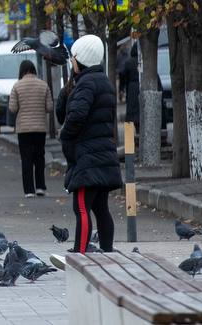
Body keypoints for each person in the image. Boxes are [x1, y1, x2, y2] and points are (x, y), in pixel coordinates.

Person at [56, 34, 122, 254]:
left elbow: (76, 116)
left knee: (82, 206)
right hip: (102, 154)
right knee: (100, 207)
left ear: (80, 58)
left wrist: (64, 133)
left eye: (73, 57)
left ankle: (80, 251)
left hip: (88, 156)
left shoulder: (86, 84)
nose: (71, 61)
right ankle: (107, 249)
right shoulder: (102, 81)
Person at [7, 59, 52, 197]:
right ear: (34, 70)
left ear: (22, 71)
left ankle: (29, 190)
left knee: (26, 158)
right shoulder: (44, 85)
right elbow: (49, 107)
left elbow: (12, 108)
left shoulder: (17, 86)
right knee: (39, 157)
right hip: (40, 128)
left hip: (24, 129)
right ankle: (40, 186)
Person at [116, 35, 140, 130]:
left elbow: (123, 76)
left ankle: (129, 142)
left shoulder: (128, 62)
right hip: (141, 87)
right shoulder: (142, 61)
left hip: (131, 89)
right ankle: (139, 135)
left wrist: (121, 89)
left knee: (130, 115)